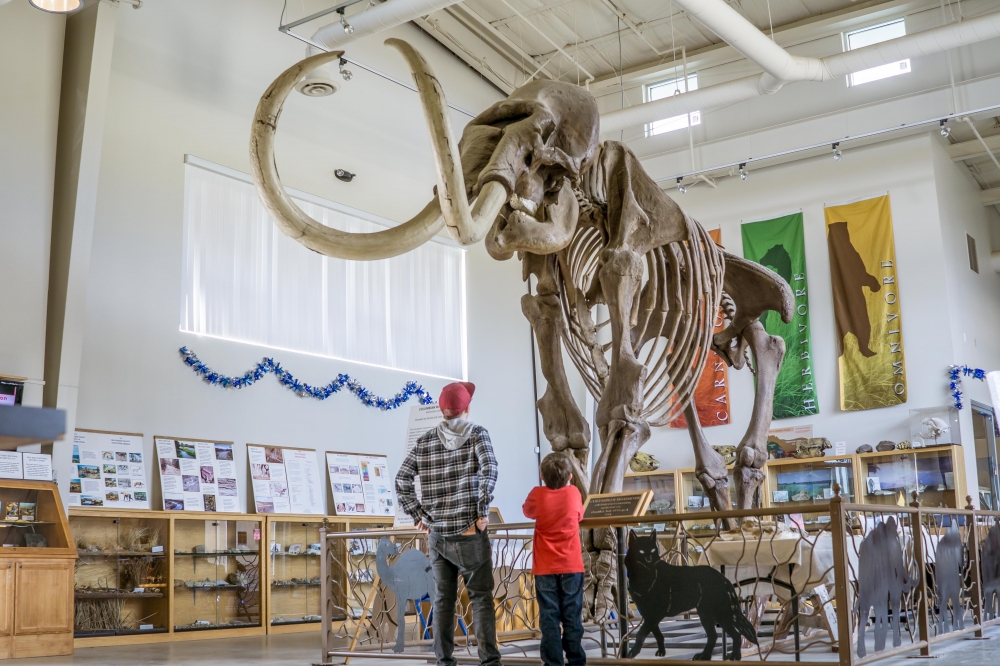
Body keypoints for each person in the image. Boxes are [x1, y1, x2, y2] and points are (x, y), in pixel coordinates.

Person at [396, 381, 499, 666]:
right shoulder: (477, 434)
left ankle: (444, 662)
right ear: (467, 408)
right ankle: (490, 662)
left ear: (443, 410)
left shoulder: (425, 440)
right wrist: (481, 511)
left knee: (442, 600)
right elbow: (490, 468)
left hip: (438, 536)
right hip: (468, 532)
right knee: (480, 598)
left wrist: (417, 514)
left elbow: (401, 479)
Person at [522, 454, 586, 666]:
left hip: (545, 567)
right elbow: (579, 516)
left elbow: (527, 511)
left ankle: (553, 662)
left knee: (549, 618)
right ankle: (576, 660)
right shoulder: (574, 493)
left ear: (541, 475)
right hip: (571, 565)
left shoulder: (537, 494)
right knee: (572, 616)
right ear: (570, 476)